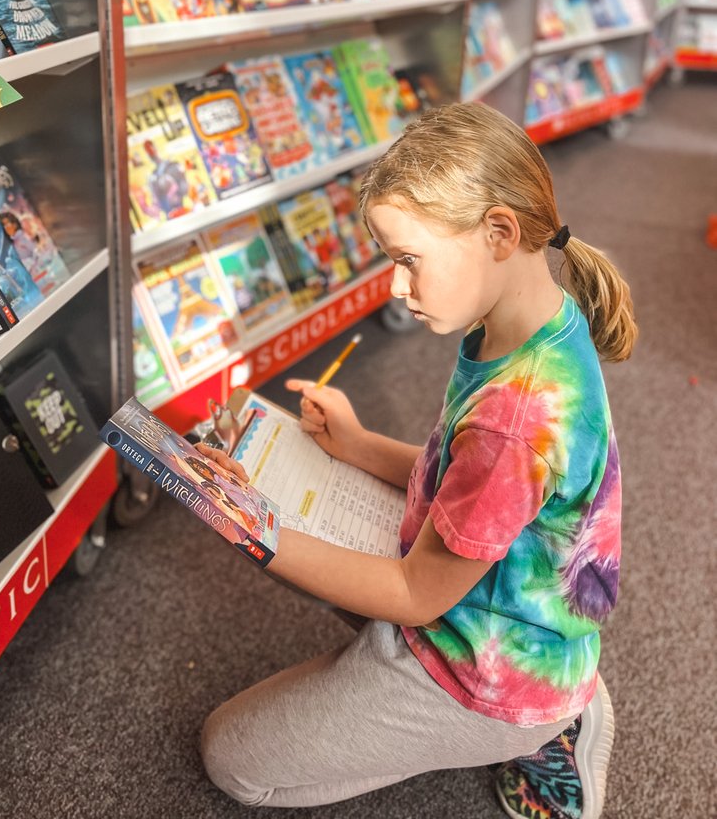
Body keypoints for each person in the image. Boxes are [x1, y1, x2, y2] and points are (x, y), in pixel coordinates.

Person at [198, 102, 631, 819]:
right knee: (328, 539)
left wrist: (262, 533)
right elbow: (460, 480)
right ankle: (551, 699)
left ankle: (545, 728)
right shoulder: (527, 322)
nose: (395, 289)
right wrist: (359, 446)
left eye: (408, 262)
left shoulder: (519, 416)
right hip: (492, 603)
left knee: (232, 759)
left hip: (481, 668)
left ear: (499, 232)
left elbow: (417, 595)